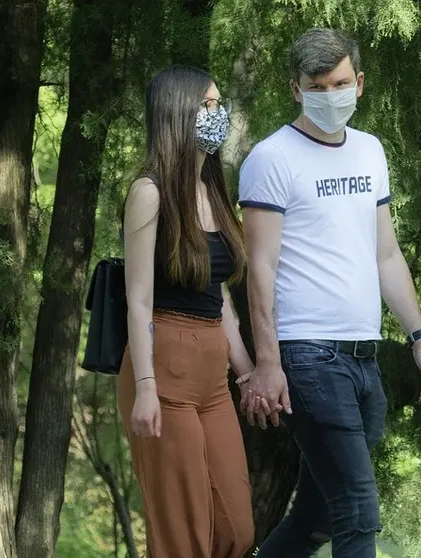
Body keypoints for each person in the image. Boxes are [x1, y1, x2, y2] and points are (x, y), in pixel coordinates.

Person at [237, 28, 421, 557]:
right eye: (317, 85)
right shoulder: (271, 158)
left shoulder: (370, 152)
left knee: (316, 516)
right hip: (307, 353)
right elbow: (258, 269)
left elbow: (386, 255)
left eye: (340, 83)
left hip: (364, 354)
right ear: (296, 89)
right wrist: (267, 362)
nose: (331, 95)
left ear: (359, 82)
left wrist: (420, 339)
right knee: (358, 508)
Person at [118, 64, 259, 558]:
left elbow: (217, 295)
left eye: (219, 104)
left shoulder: (212, 190)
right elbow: (137, 297)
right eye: (207, 106)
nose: (218, 114)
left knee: (236, 529)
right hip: (163, 369)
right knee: (185, 536)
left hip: (212, 374)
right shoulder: (149, 192)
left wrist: (248, 374)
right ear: (178, 113)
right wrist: (144, 389)